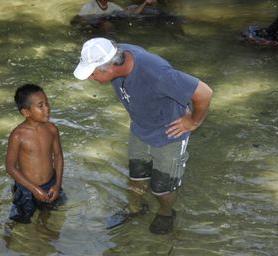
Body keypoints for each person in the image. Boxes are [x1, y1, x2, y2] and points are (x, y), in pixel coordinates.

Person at [73, 38, 213, 234]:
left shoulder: (156, 74)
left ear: (110, 67)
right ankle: (134, 209)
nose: (90, 78)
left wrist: (193, 122)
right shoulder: (118, 53)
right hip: (140, 127)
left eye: (92, 73)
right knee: (136, 176)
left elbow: (204, 93)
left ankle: (165, 213)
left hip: (169, 133)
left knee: (162, 188)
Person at [6, 83, 65, 224]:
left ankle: (43, 233)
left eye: (47, 103)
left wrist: (57, 184)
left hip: (50, 185)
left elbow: (58, 156)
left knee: (48, 213)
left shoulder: (52, 129)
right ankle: (6, 241)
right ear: (26, 112)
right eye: (40, 106)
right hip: (27, 188)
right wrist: (35, 190)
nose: (47, 108)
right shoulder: (18, 135)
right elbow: (10, 167)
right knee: (20, 219)